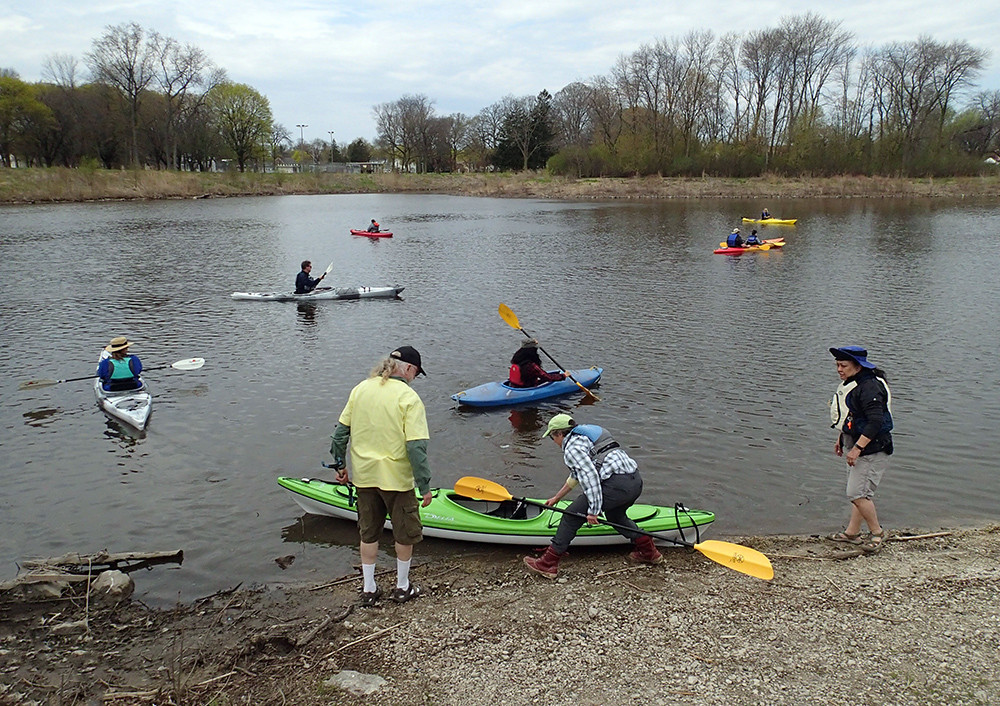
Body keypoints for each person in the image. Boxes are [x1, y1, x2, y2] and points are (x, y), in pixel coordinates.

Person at [329, 345, 432, 605]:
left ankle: (369, 589)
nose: (414, 380)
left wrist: (341, 466)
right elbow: (416, 447)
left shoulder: (360, 389)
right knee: (404, 534)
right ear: (409, 369)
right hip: (396, 479)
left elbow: (340, 434)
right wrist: (424, 486)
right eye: (416, 374)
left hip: (364, 477)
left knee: (368, 533)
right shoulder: (408, 398)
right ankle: (402, 586)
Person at [523, 414, 662, 578]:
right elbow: (576, 476)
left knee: (571, 517)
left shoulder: (572, 449)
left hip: (615, 486)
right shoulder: (585, 439)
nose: (554, 442)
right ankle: (648, 551)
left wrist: (593, 510)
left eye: (552, 437)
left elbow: (590, 478)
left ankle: (547, 564)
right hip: (634, 482)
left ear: (559, 434)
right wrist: (557, 498)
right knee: (615, 516)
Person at [827, 346, 893, 553]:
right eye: (837, 365)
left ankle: (877, 533)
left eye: (843, 365)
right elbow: (852, 417)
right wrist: (841, 437)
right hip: (857, 445)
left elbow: (875, 422)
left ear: (858, 366)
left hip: (872, 449)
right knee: (860, 493)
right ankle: (852, 533)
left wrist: (857, 448)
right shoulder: (854, 384)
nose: (839, 369)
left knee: (857, 493)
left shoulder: (870, 388)